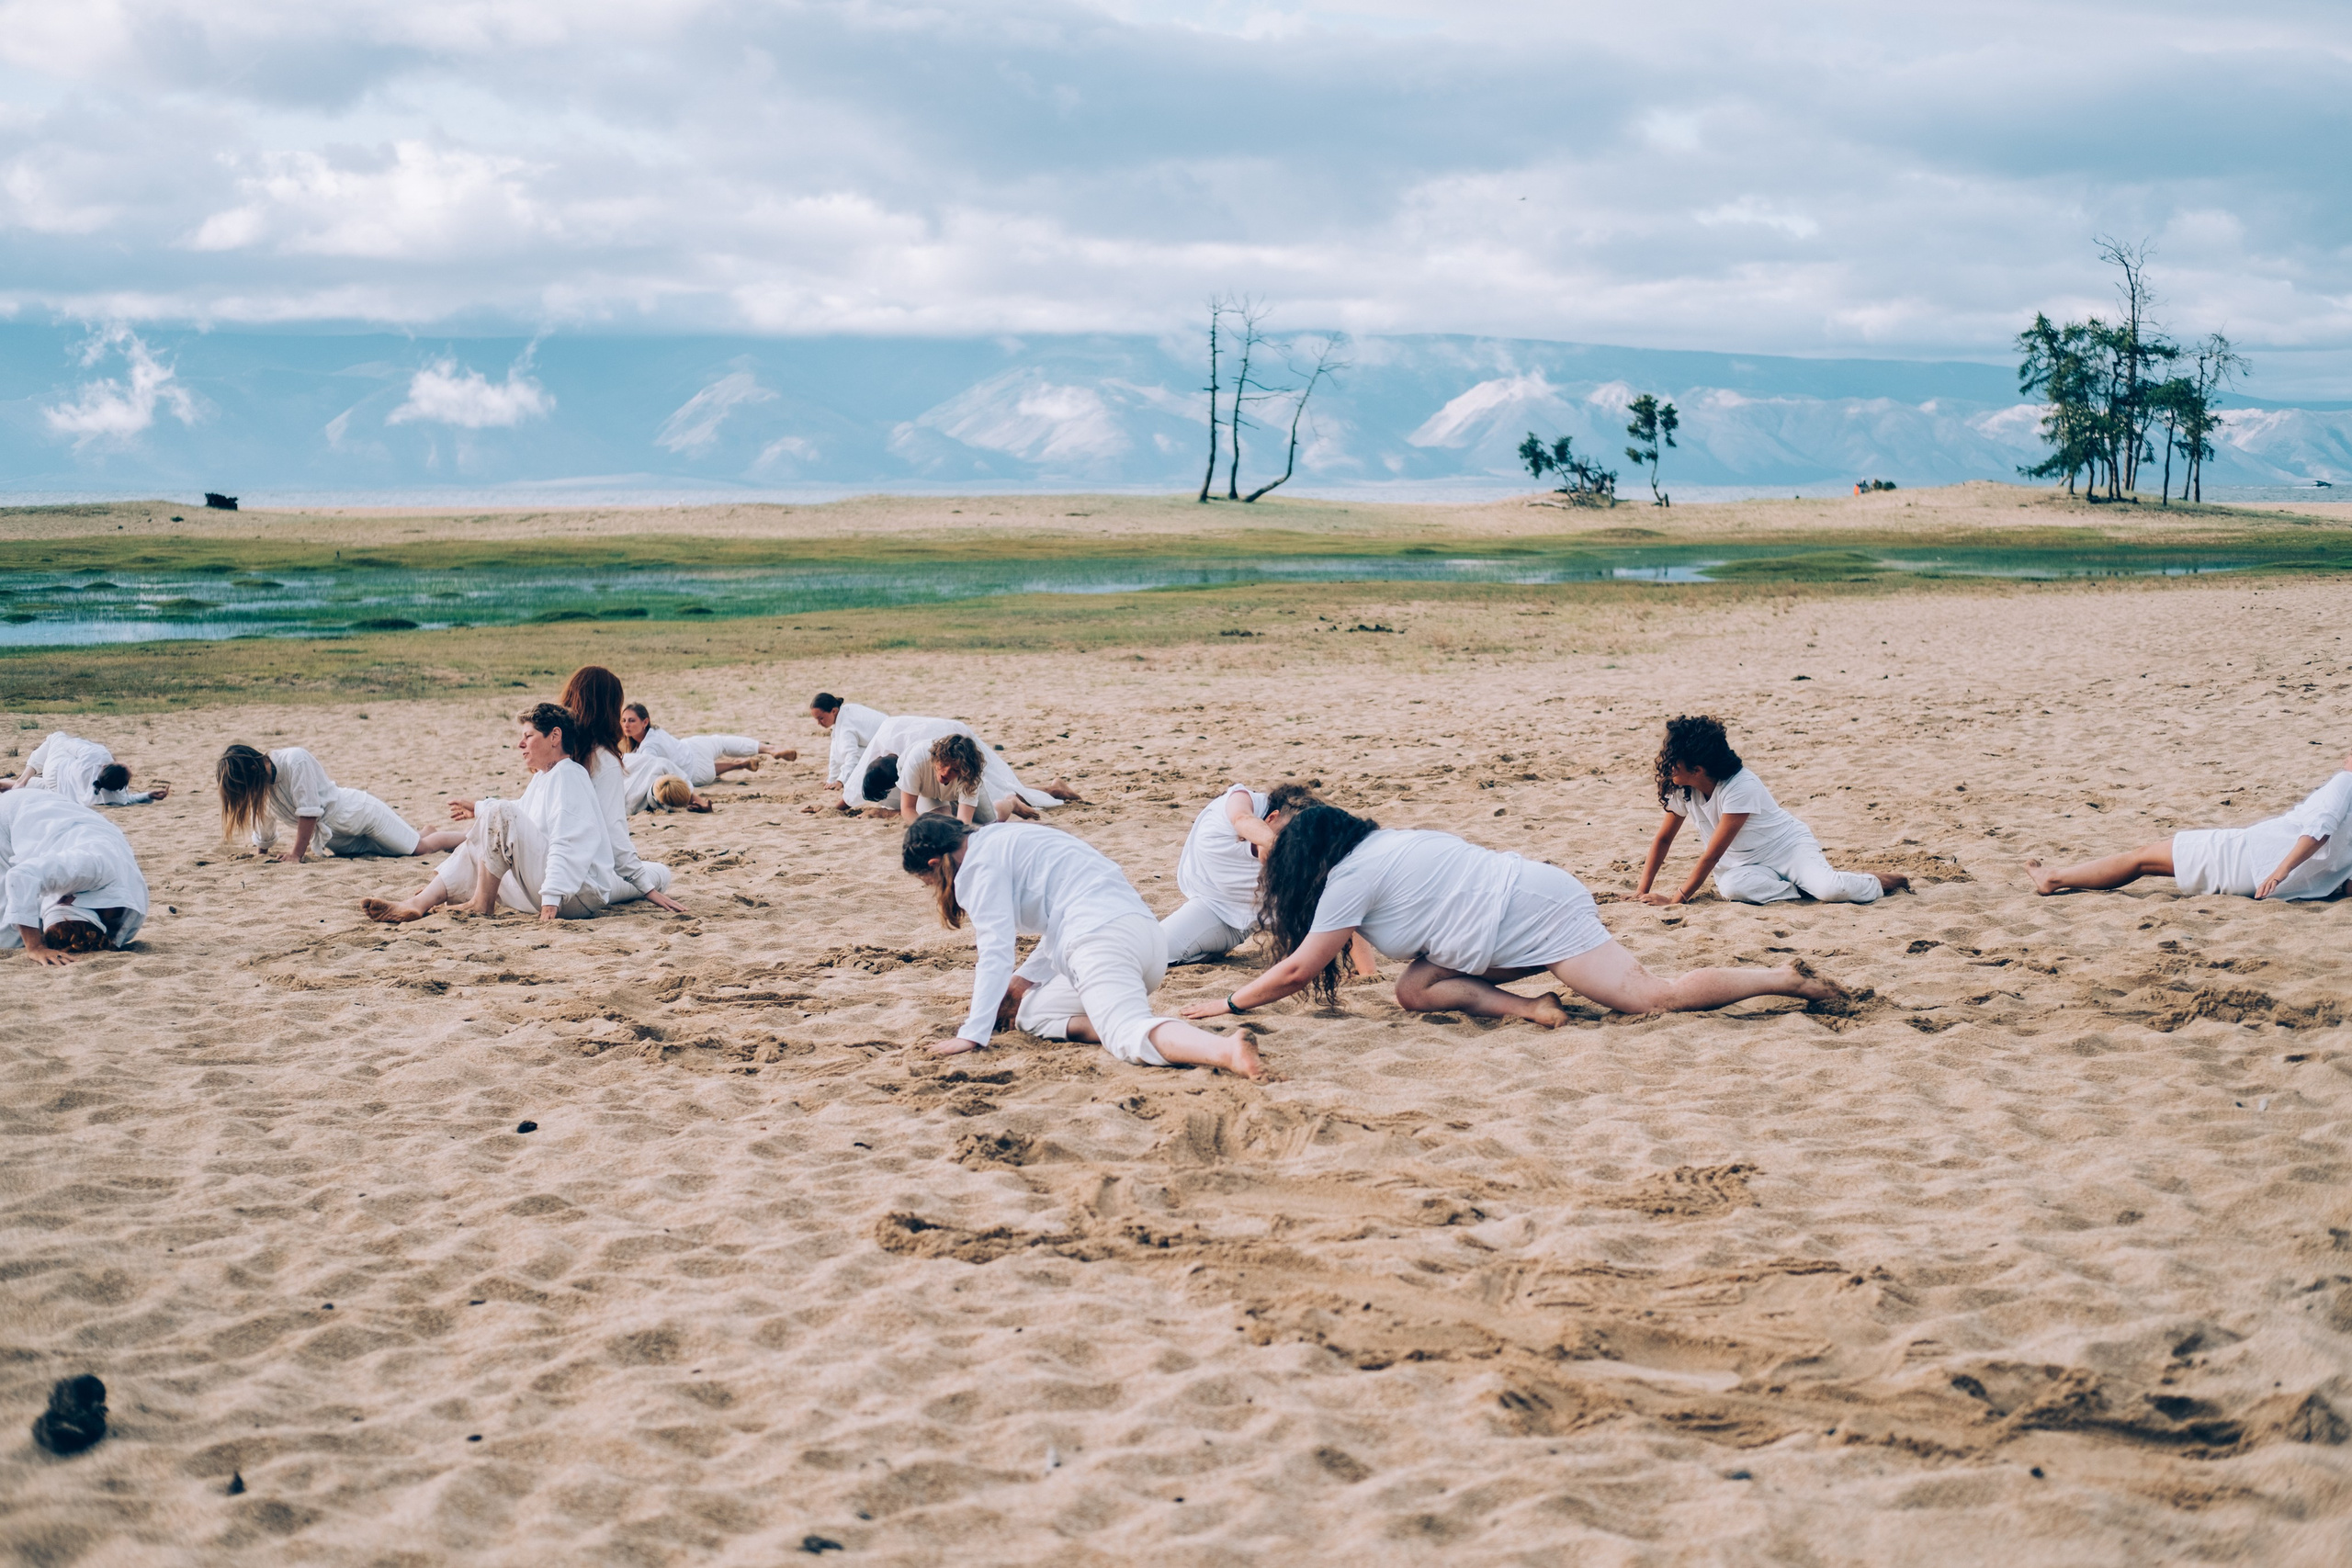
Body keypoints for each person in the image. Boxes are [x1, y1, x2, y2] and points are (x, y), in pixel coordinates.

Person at [1183, 805, 1849, 1029]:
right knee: (1414, 990)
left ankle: (1784, 977)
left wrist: (1231, 1004)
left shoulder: (1352, 875)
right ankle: (1533, 1007)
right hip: (1504, 909)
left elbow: (1300, 968)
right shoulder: (1378, 847)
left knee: (1651, 998)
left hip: (1532, 912)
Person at [903, 815, 1264, 1078]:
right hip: (1147, 939)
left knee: (1126, 1034)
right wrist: (1023, 982)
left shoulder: (975, 868)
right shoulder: (1006, 837)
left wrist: (972, 1034)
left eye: (927, 882)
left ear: (935, 864)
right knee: (1031, 1013)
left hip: (1101, 942)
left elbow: (995, 952)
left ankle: (1225, 1051)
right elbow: (1063, 914)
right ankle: (1136, 1024)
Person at [362, 705, 620, 924]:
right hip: (557, 888)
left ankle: (480, 903)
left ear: (555, 736)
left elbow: (568, 840)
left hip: (576, 895)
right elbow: (520, 811)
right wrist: (478, 808)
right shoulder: (546, 777)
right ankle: (419, 903)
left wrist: (552, 898)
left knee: (498, 814)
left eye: (528, 736)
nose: (520, 744)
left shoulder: (569, 775)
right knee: (479, 842)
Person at [1635, 716, 1905, 906]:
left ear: (1698, 769)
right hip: (1744, 866)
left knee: (1830, 890)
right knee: (1731, 888)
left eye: (1675, 762)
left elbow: (1712, 855)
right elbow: (1663, 839)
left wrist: (1675, 899)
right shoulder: (1682, 787)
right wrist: (1641, 892)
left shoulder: (1741, 786)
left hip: (1787, 849)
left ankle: (1875, 881)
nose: (1668, 766)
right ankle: (1801, 887)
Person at [2028, 751, 2352, 900]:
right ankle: (2055, 877)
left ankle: (2052, 879)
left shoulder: (2345, 782)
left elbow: (2318, 830)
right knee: (2146, 859)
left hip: (2249, 856)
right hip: (2269, 874)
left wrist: (2280, 871)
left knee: (2141, 858)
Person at [1162, 782, 1379, 977]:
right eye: (1290, 836)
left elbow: (1341, 902)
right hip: (1214, 907)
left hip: (1272, 915)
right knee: (1153, 951)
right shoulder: (1239, 805)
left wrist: (1368, 971)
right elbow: (1241, 818)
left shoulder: (1307, 850)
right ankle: (1210, 949)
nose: (1295, 845)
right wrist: (1278, 846)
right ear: (1271, 818)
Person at [560, 667, 687, 912]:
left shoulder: (556, 751)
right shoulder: (603, 760)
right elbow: (614, 832)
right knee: (660, 873)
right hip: (582, 886)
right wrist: (648, 890)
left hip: (544, 878)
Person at [216, 744, 462, 862]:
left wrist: (295, 855)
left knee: (419, 849)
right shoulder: (262, 788)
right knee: (394, 850)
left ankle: (472, 835)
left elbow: (309, 814)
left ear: (253, 767)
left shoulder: (294, 761)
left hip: (361, 815)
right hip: (336, 838)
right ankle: (424, 832)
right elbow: (264, 821)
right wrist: (262, 854)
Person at [0, 789, 148, 965]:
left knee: (23, 915)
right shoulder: (90, 867)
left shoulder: (126, 910)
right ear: (68, 899)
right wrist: (35, 947)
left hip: (64, 817)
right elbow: (20, 876)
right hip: (16, 813)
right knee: (9, 938)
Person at [849, 715, 1080, 814]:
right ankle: (1051, 788)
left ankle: (1051, 791)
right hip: (947, 735)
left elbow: (913, 805)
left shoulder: (917, 760)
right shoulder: (885, 745)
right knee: (996, 783)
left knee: (990, 792)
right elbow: (858, 783)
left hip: (951, 743)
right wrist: (843, 805)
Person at [620, 703, 793, 786]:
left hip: (697, 772)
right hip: (692, 746)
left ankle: (741, 764)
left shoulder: (648, 748)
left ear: (645, 722)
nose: (627, 725)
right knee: (722, 742)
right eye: (624, 721)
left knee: (706, 764)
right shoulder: (656, 732)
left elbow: (647, 774)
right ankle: (767, 750)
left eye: (631, 720)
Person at [889, 733, 1046, 825]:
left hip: (960, 785)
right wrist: (924, 832)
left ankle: (1011, 802)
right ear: (937, 758)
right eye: (944, 764)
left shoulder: (969, 775)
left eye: (955, 770)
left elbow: (963, 823)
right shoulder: (917, 760)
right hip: (927, 787)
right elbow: (908, 809)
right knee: (940, 821)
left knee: (990, 823)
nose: (946, 772)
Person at [3, 731, 168, 807]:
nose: (130, 765)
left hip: (55, 771)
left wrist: (81, 754)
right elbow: (128, 800)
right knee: (39, 786)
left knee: (57, 737)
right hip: (63, 792)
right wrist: (148, 795)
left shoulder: (99, 755)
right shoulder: (114, 797)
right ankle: (15, 784)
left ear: (106, 766)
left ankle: (21, 780)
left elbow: (68, 744)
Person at [811, 693, 887, 802]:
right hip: (881, 745)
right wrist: (831, 779)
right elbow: (834, 751)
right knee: (840, 750)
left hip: (889, 749)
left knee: (846, 754)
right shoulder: (844, 712)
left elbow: (852, 756)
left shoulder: (846, 724)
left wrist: (841, 781)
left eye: (821, 718)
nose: (819, 723)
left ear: (833, 711)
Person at [622, 750, 708, 813]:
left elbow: (686, 791)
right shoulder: (631, 802)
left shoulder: (663, 764)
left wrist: (705, 806)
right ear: (662, 802)